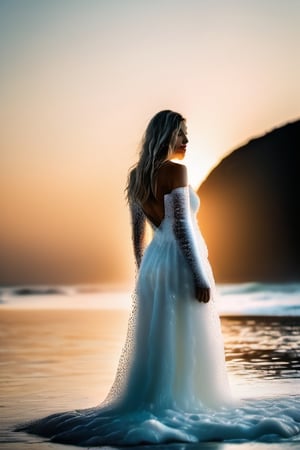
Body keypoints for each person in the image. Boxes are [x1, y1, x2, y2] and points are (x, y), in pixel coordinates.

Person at [16, 110, 233, 446]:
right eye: (180, 133)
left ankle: (156, 404)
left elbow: (136, 235)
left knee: (159, 333)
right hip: (178, 259)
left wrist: (143, 272)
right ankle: (181, 406)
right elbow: (180, 225)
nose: (186, 141)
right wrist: (197, 274)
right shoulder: (177, 171)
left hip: (154, 264)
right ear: (165, 135)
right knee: (184, 332)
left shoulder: (136, 176)